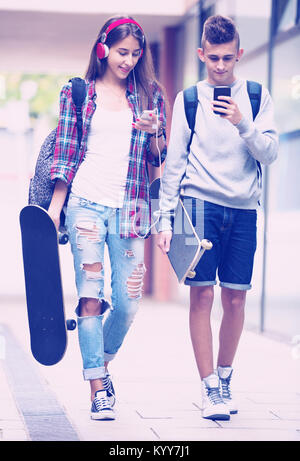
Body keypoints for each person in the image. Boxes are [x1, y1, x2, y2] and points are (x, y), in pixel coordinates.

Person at [157, 15, 278, 420]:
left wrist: (242, 122)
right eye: (214, 59)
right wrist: (164, 221)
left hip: (243, 209)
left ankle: (225, 377)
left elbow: (270, 154)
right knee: (203, 295)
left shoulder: (258, 97)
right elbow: (174, 165)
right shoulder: (188, 99)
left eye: (228, 58)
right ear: (201, 54)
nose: (221, 66)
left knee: (236, 297)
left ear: (239, 54)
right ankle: (210, 388)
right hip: (198, 207)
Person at [48, 15, 167, 420]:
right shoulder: (78, 92)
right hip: (84, 205)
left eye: (135, 54)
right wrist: (54, 209)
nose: (128, 61)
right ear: (103, 48)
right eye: (121, 52)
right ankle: (98, 388)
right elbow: (66, 151)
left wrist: (154, 132)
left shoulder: (151, 95)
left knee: (129, 303)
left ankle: (101, 362)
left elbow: (157, 160)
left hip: (131, 209)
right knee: (90, 296)